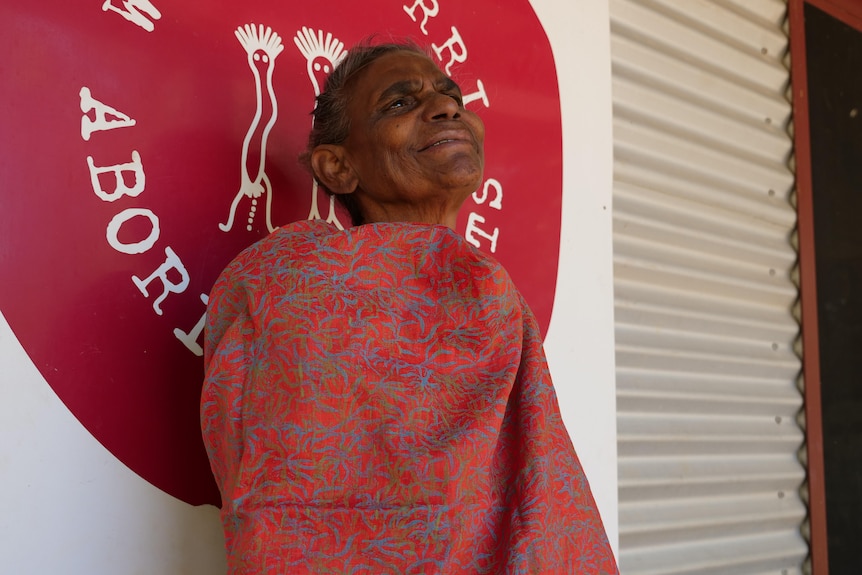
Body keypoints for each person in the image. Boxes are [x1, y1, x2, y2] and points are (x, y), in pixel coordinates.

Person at [201, 41, 618, 574]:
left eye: (452, 97)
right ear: (337, 167)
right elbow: (275, 481)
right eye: (399, 104)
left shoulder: (494, 293)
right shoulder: (289, 277)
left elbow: (539, 488)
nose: (447, 108)